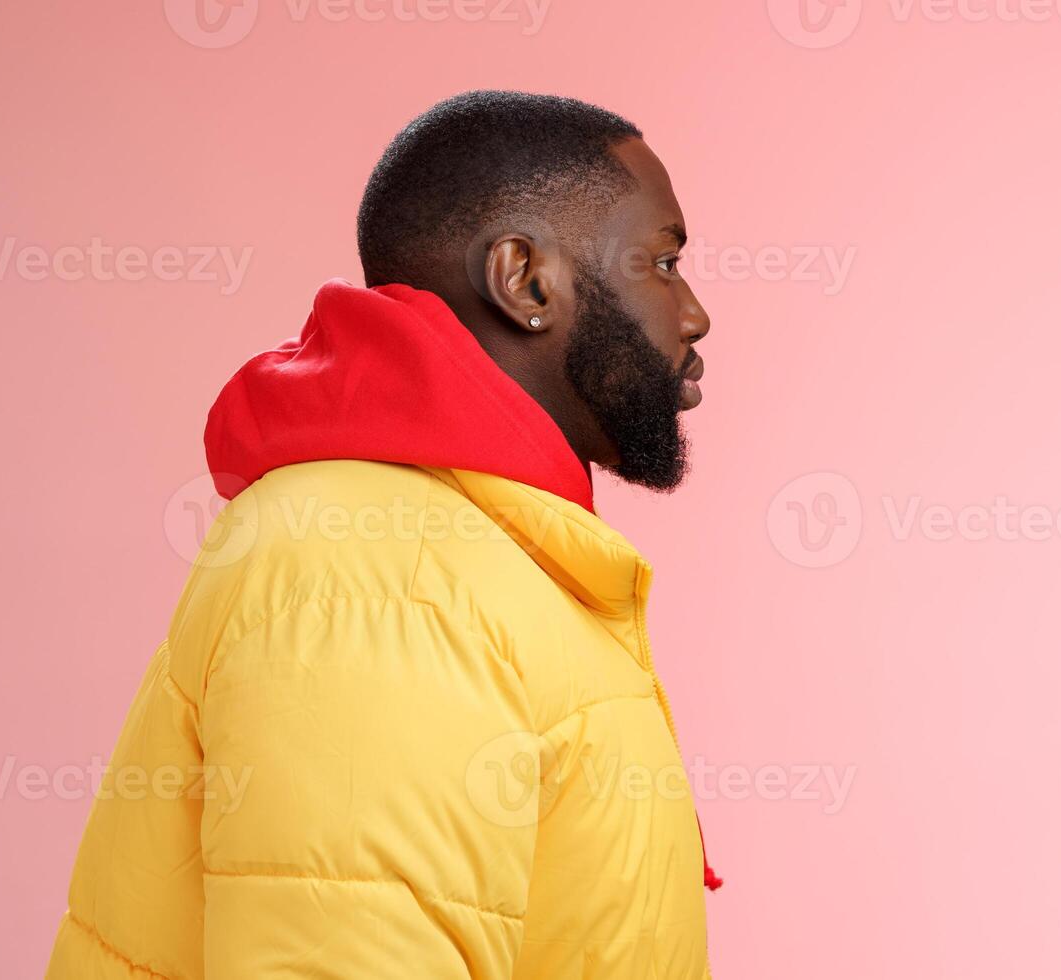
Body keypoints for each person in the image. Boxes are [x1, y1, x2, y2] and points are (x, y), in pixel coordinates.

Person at [46, 90, 717, 979]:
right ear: (526, 281)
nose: (694, 313)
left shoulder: (481, 549)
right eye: (663, 262)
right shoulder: (378, 577)